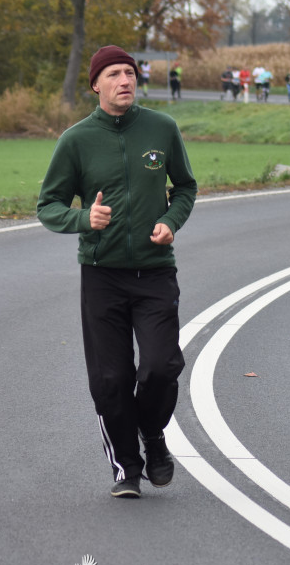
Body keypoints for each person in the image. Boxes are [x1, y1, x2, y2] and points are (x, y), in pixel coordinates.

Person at [36, 45, 197, 498]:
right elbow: (48, 205)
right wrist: (84, 219)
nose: (125, 80)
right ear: (96, 85)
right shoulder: (77, 140)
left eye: (130, 72)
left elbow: (185, 187)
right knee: (110, 380)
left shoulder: (161, 129)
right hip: (102, 275)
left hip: (155, 271)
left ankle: (153, 435)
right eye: (114, 74)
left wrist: (170, 221)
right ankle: (126, 467)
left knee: (162, 367)